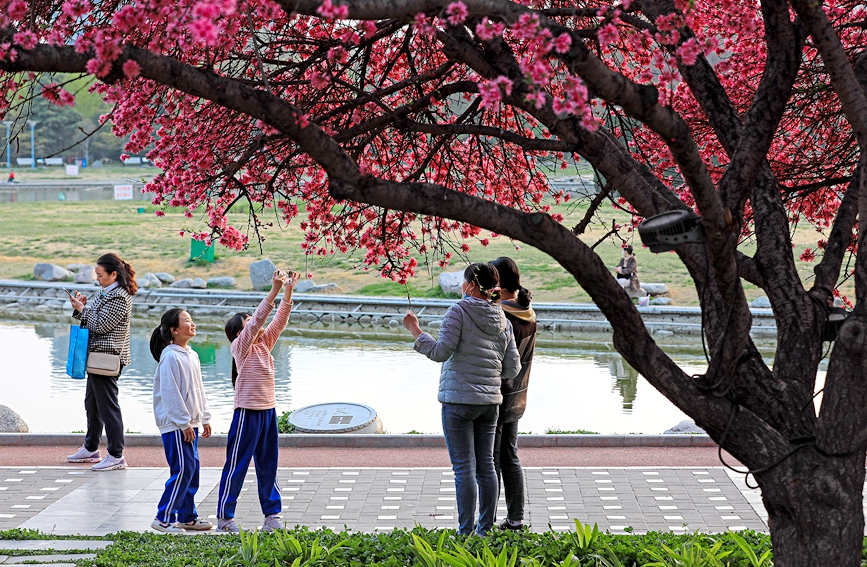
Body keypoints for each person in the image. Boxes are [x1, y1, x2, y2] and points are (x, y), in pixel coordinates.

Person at [402, 262, 521, 536]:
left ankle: (466, 532)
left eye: (462, 282)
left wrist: (415, 329)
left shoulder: (458, 311)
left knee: (464, 469)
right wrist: (489, 371)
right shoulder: (502, 318)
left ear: (469, 285)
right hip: (490, 404)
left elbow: (441, 352)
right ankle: (485, 530)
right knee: (486, 468)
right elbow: (512, 368)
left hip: (458, 401)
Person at [216, 269, 299, 533]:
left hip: (268, 413)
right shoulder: (240, 347)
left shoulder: (264, 344)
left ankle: (272, 516)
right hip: (246, 414)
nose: (256, 322)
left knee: (268, 465)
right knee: (236, 466)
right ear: (239, 331)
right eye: (249, 321)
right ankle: (225, 518)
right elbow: (258, 322)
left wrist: (288, 290)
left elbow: (279, 321)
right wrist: (273, 290)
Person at [66, 253, 137, 471]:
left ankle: (116, 455)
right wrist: (82, 308)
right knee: (92, 404)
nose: (97, 278)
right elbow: (93, 318)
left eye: (100, 274)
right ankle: (91, 448)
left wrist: (82, 310)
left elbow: (100, 325)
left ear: (113, 274)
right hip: (98, 357)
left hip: (108, 358)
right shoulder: (107, 292)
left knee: (108, 407)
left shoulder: (120, 296)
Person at [148, 308, 213, 533]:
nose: (192, 324)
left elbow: (199, 389)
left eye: (192, 320)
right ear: (174, 330)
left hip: (190, 423)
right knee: (183, 469)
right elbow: (170, 393)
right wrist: (183, 423)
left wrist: (204, 417)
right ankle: (163, 518)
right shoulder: (170, 356)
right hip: (176, 426)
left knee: (192, 470)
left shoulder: (191, 354)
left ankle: (187, 517)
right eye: (187, 321)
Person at [490, 257, 537, 531]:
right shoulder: (527, 311)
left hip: (498, 396)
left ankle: (486, 520)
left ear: (499, 283)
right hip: (518, 396)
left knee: (491, 460)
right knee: (510, 455)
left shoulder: (504, 316)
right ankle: (516, 519)